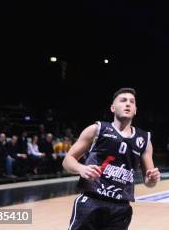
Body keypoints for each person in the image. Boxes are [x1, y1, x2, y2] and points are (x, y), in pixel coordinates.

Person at [63, 88, 160, 230]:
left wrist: (152, 180)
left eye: (132, 102)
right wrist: (81, 168)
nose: (128, 104)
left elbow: (149, 181)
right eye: (123, 100)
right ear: (113, 108)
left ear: (135, 110)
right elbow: (67, 160)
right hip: (91, 201)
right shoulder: (97, 129)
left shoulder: (144, 139)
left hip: (121, 209)